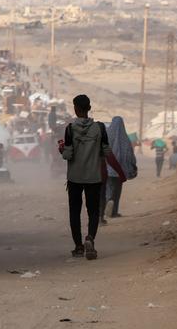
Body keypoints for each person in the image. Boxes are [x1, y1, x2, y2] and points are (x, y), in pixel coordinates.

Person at [58, 94, 126, 260]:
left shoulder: (70, 129)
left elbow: (67, 155)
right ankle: (90, 239)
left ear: (75, 109)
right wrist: (120, 172)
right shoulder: (100, 128)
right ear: (89, 108)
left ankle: (78, 247)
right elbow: (106, 152)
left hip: (74, 178)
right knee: (93, 211)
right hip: (94, 177)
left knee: (74, 212)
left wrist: (61, 147)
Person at [102, 116, 137, 220]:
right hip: (120, 170)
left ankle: (106, 205)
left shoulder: (106, 136)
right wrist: (132, 166)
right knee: (117, 191)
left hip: (108, 169)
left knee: (108, 189)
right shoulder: (125, 139)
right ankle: (114, 212)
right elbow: (130, 155)